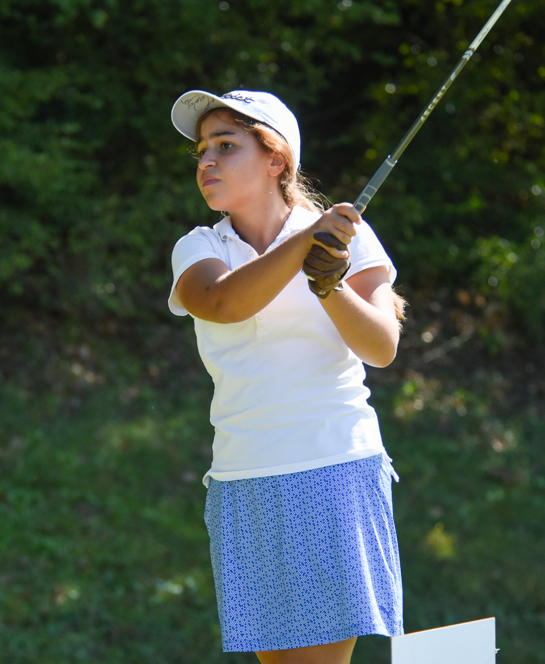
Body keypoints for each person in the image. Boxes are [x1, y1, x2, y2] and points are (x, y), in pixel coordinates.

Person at [167, 89, 405, 664]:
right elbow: (222, 303)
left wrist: (328, 284)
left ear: (276, 159)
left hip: (333, 466)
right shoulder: (199, 247)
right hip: (245, 479)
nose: (206, 161)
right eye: (202, 150)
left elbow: (381, 347)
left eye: (226, 146)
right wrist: (307, 244)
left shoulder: (347, 239)